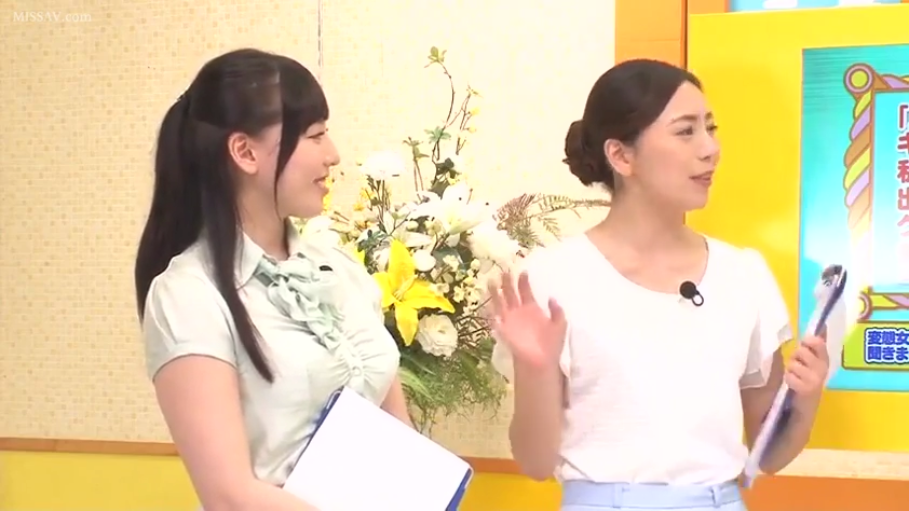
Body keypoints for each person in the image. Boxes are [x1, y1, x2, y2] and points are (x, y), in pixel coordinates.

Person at [487, 59, 829, 511]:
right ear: (621, 156)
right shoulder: (553, 277)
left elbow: (770, 454)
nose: (710, 149)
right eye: (686, 131)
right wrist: (536, 368)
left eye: (710, 128)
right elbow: (535, 463)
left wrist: (807, 398)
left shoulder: (743, 274)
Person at [134, 49, 411, 511]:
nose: (333, 155)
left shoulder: (341, 269)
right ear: (245, 152)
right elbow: (229, 496)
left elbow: (400, 444)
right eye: (315, 135)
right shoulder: (187, 295)